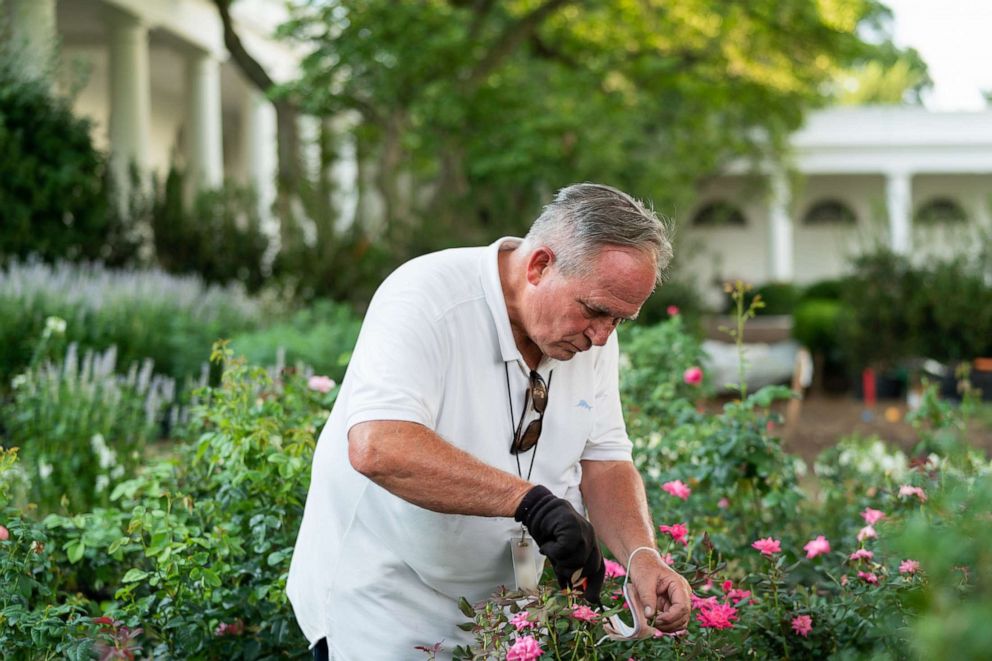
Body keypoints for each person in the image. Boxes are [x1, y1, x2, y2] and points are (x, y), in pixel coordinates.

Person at [287, 183, 693, 659]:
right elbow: (379, 446)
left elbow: (603, 458)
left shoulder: (589, 330)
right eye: (597, 312)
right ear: (540, 265)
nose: (603, 337)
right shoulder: (424, 295)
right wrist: (534, 504)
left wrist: (642, 556)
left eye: (620, 320)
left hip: (501, 618)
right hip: (384, 607)